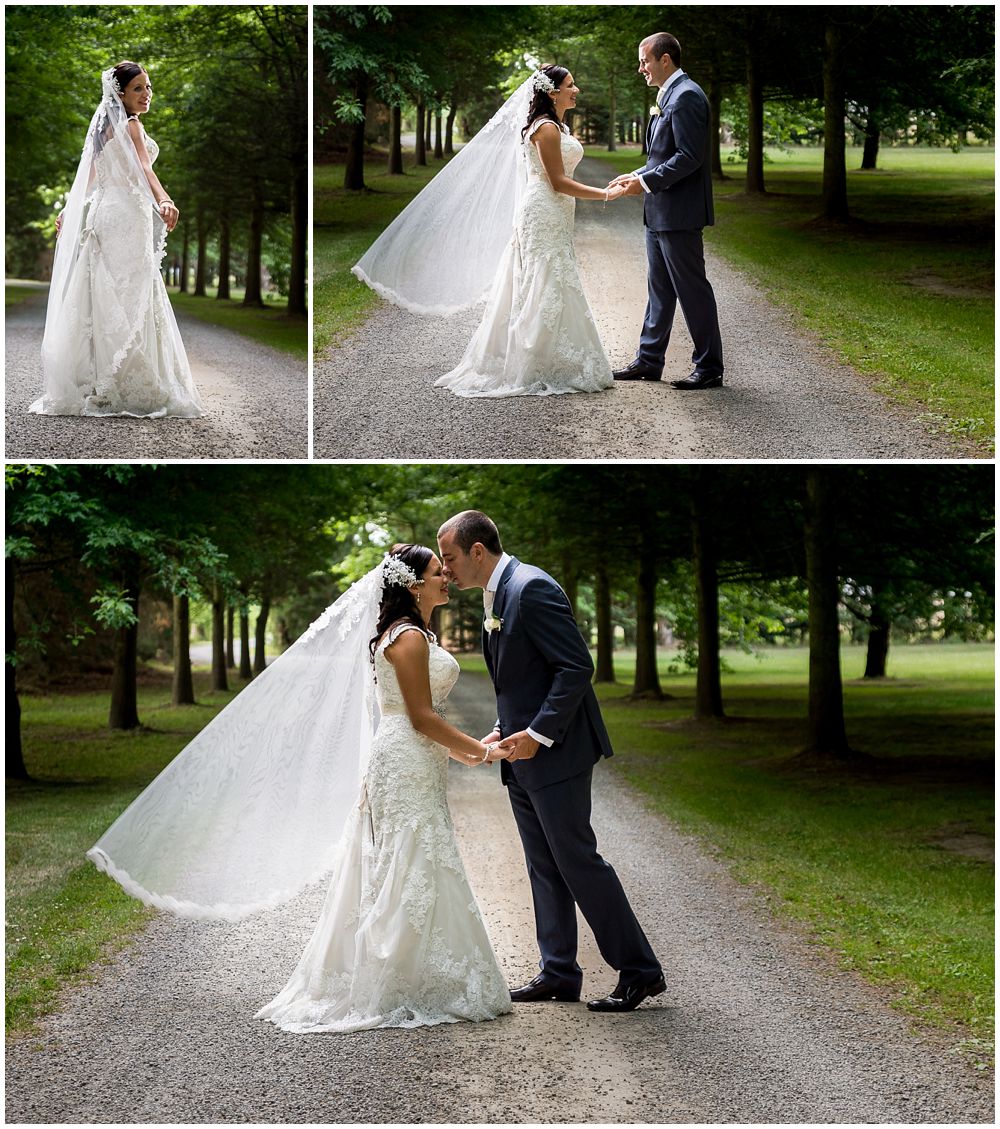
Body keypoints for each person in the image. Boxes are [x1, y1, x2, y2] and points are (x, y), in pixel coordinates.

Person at [87, 548, 512, 1033]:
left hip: (412, 754)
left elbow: (419, 718)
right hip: (406, 757)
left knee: (414, 857)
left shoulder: (409, 634)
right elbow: (421, 718)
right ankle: (400, 979)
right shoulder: (409, 637)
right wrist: (480, 753)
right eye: (439, 572)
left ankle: (415, 974)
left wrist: (473, 749)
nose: (448, 577)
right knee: (411, 858)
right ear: (414, 585)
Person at [437, 510, 665, 1012]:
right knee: (543, 865)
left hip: (556, 752)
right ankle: (559, 971)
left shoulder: (531, 588)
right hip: (520, 754)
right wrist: (506, 726)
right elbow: (523, 677)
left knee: (578, 861)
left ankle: (640, 971)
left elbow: (576, 667)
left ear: (478, 552)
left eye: (450, 558)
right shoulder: (497, 595)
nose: (445, 568)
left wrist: (539, 733)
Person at [353, 67, 627, 398]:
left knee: (551, 279)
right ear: (553, 93)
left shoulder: (557, 127)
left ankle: (551, 357)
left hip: (556, 210)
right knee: (547, 279)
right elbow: (557, 182)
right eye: (571, 85)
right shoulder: (546, 130)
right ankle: (535, 362)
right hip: (543, 209)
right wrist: (606, 194)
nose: (577, 90)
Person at [30, 62, 202, 418]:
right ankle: (126, 379)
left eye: (148, 87)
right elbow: (144, 168)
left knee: (103, 293)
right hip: (127, 216)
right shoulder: (132, 126)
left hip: (104, 216)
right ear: (120, 93)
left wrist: (69, 208)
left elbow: (91, 179)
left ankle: (100, 378)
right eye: (138, 88)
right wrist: (165, 200)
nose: (147, 94)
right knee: (133, 292)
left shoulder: (101, 131)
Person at [608, 33, 725, 391]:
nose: (640, 67)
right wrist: (638, 174)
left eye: (644, 60)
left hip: (680, 213)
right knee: (659, 290)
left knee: (692, 291)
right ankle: (648, 360)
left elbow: (689, 157)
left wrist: (644, 184)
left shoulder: (687, 95)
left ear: (665, 60)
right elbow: (661, 154)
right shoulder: (669, 94)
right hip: (659, 212)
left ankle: (709, 368)